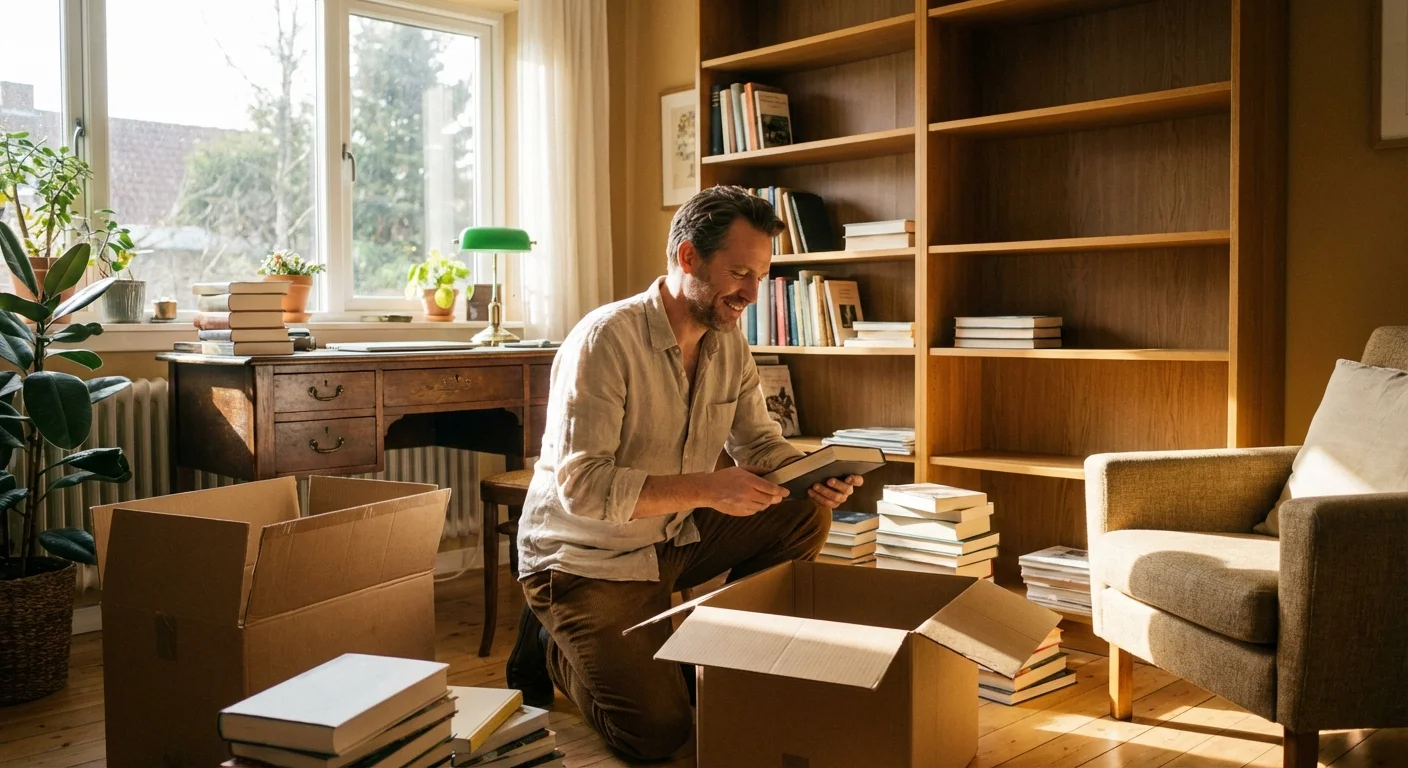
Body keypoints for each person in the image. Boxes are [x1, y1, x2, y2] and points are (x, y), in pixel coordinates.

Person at [507, 185, 862, 761]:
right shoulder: (604, 340)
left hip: (672, 539)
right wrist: (708, 488)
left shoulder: (728, 343)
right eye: (739, 273)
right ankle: (551, 642)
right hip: (586, 561)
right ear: (688, 257)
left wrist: (810, 474)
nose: (751, 293)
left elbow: (760, 443)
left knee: (803, 514)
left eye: (760, 276)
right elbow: (583, 487)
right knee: (658, 738)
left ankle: (728, 662)